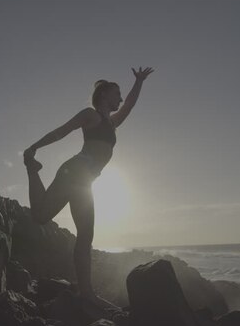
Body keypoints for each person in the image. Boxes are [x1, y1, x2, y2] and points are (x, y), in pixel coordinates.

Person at [23, 66, 154, 301]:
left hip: (85, 180)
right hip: (74, 172)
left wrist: (139, 82)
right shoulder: (90, 115)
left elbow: (130, 105)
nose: (120, 98)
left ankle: (87, 292)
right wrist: (34, 147)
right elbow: (62, 131)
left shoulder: (111, 123)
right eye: (117, 93)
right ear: (104, 95)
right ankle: (32, 170)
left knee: (81, 233)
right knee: (50, 220)